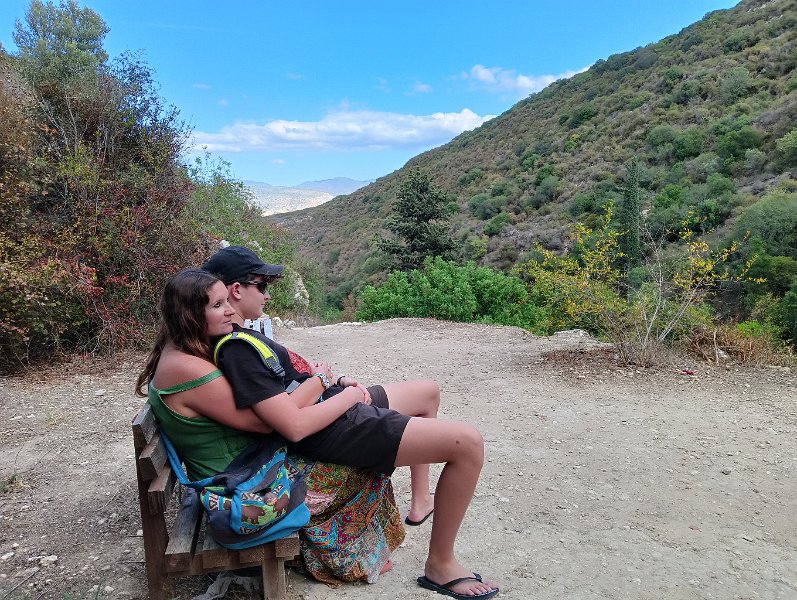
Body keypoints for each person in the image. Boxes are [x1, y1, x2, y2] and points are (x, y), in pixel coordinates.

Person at [202, 246, 499, 599]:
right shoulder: (237, 349)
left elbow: (290, 386)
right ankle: (441, 564)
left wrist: (335, 382)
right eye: (263, 285)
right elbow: (292, 425)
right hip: (333, 425)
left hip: (333, 406)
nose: (267, 295)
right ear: (237, 290)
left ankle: (421, 500)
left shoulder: (244, 337)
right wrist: (347, 396)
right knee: (468, 444)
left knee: (428, 393)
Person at [136, 268, 405, 583]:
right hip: (245, 482)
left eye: (227, 301)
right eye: (218, 305)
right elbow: (265, 424)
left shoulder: (179, 352)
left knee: (350, 449)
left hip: (243, 465)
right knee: (357, 462)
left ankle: (354, 550)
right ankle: (344, 558)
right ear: (188, 315)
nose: (230, 311)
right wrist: (321, 381)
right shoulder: (187, 368)